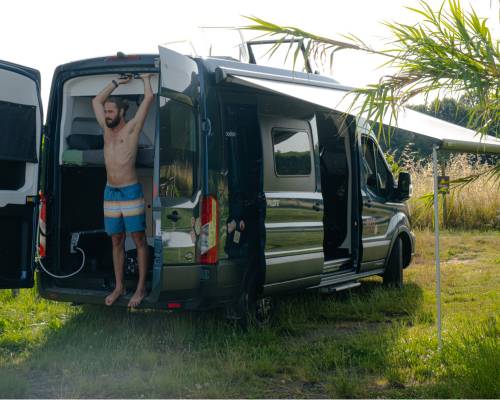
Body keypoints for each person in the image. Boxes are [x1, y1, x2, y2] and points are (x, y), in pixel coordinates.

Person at [92, 74, 154, 307]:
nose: (106, 115)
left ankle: (140, 288)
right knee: (116, 239)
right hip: (110, 192)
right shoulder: (106, 130)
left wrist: (146, 78)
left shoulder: (132, 129)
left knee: (138, 239)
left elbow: (149, 97)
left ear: (121, 113)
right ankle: (119, 287)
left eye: (110, 112)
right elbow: (96, 102)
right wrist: (116, 83)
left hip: (129, 191)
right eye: (106, 112)